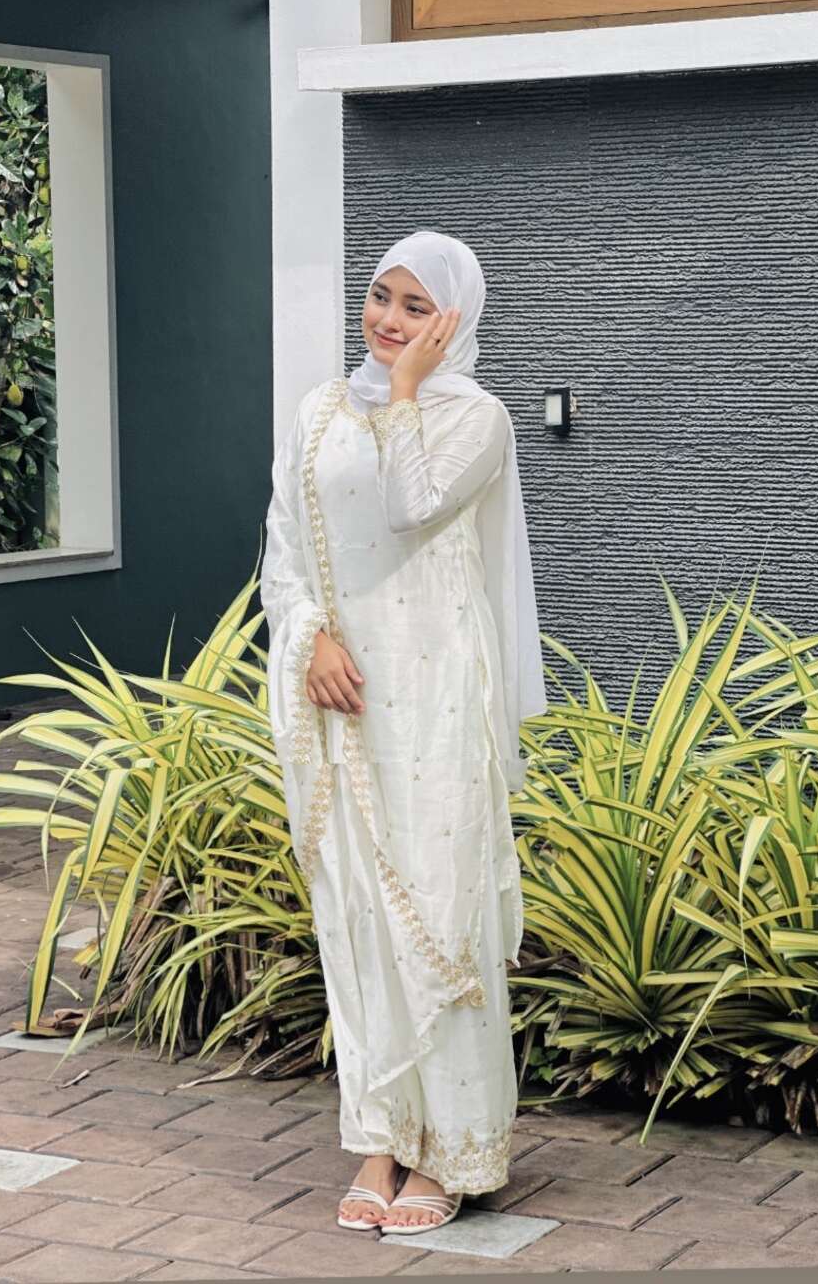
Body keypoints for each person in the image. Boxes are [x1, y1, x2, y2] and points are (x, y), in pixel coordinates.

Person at [259, 229, 546, 1235]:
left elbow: (410, 501)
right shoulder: (318, 410)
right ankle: (380, 1138)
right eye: (382, 296)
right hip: (345, 695)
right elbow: (284, 543)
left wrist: (410, 389)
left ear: (454, 321)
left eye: (417, 307)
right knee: (360, 914)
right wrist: (309, 638)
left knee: (438, 905)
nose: (388, 319)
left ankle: (453, 1149)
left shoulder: (477, 418)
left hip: (433, 694)